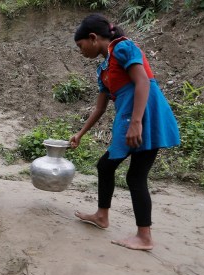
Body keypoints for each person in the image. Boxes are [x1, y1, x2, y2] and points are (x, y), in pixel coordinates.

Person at [70, 14, 180, 251]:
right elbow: (100, 108)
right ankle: (102, 216)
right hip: (131, 119)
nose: (80, 51)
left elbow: (142, 82)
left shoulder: (122, 47)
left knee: (134, 176)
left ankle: (144, 237)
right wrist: (80, 133)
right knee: (107, 167)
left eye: (80, 46)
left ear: (92, 38)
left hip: (146, 116)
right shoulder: (104, 69)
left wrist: (137, 122)